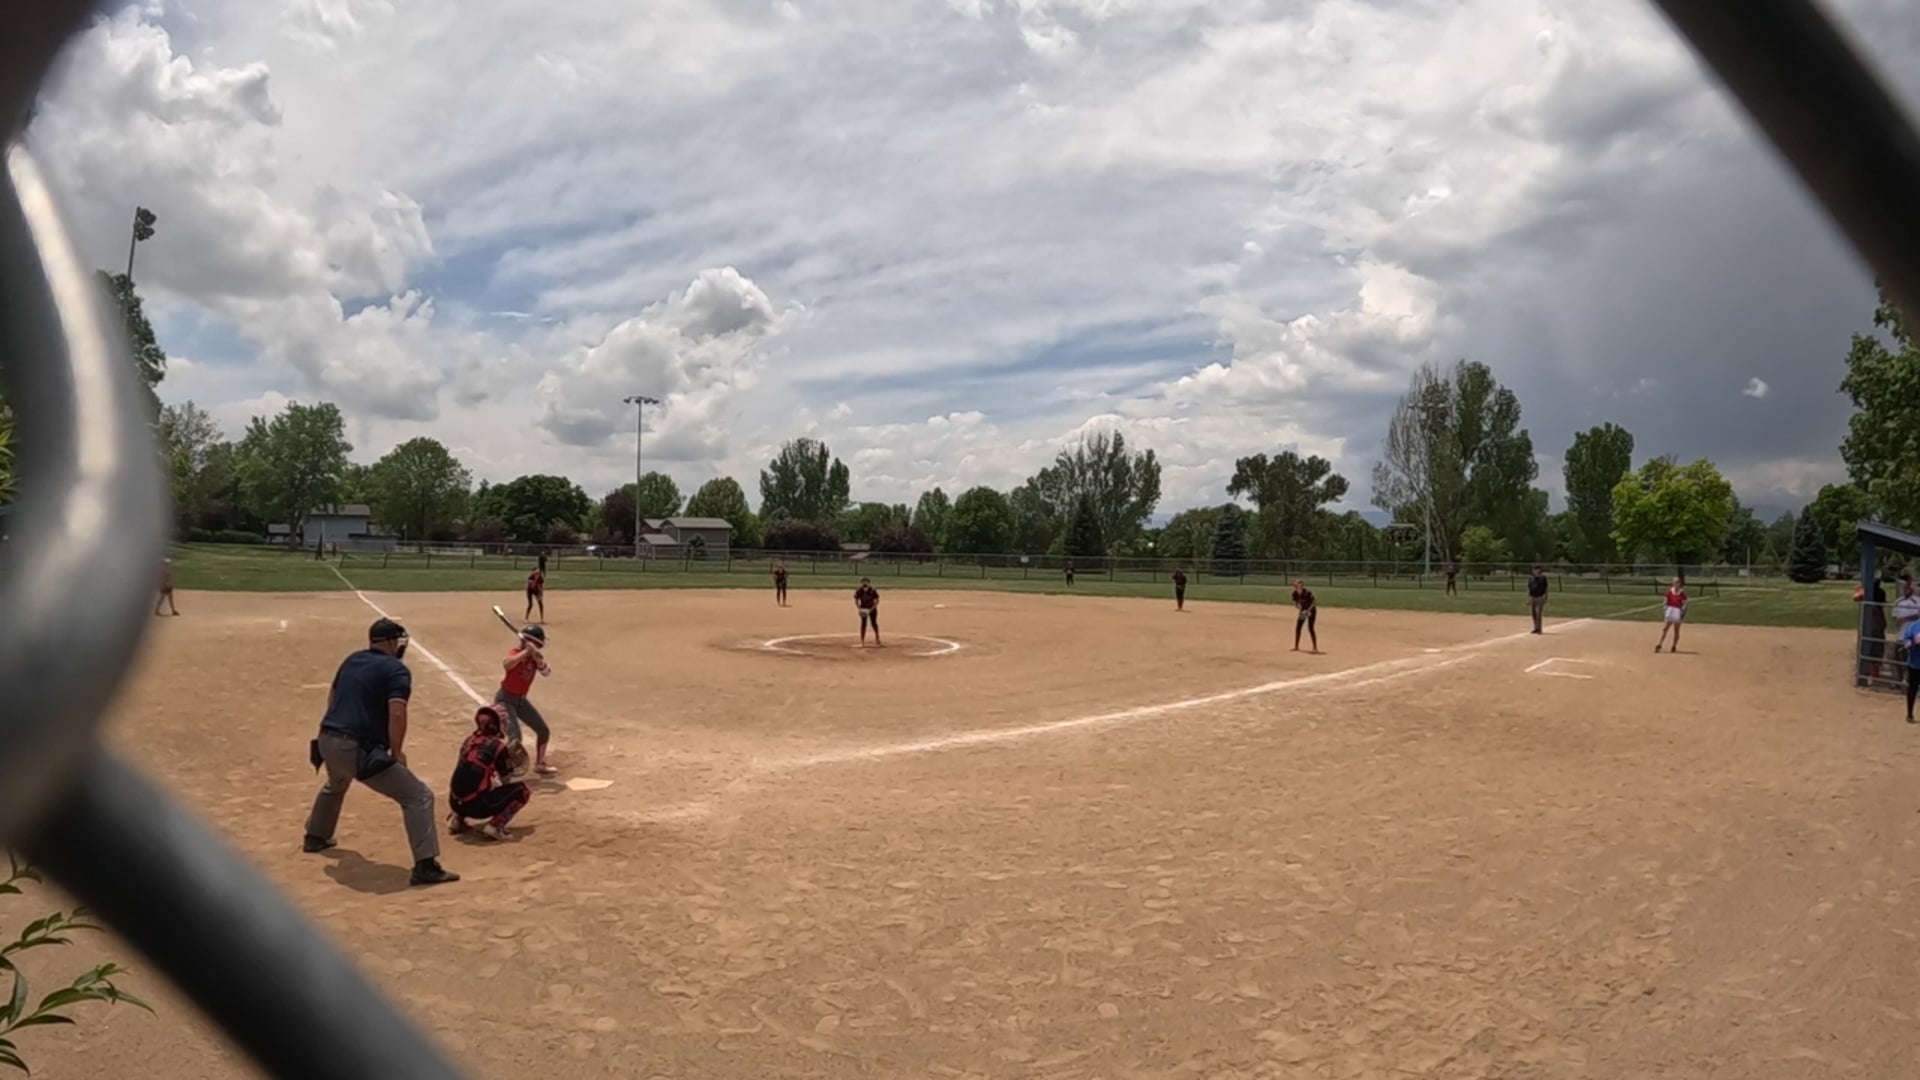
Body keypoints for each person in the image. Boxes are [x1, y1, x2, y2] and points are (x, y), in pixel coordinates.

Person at [302, 618, 458, 887]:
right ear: (390, 642)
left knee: (336, 782)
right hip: (355, 747)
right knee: (418, 796)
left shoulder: (352, 659)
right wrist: (396, 752)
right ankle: (425, 866)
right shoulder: (396, 670)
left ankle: (316, 836)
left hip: (326, 739)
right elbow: (397, 712)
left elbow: (332, 697)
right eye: (397, 641)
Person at [447, 704, 533, 841]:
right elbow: (506, 779)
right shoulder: (498, 747)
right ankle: (495, 826)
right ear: (497, 724)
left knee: (468, 781)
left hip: (454, 803)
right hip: (477, 807)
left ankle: (457, 818)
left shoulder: (469, 740)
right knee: (523, 791)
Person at [497, 624, 557, 776]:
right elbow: (507, 664)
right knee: (515, 738)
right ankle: (503, 771)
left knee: (543, 731)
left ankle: (540, 764)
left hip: (521, 701)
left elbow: (546, 672)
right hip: (505, 700)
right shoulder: (516, 652)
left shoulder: (534, 658)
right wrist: (525, 652)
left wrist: (537, 658)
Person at [1655, 577, 1687, 653]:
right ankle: (1660, 644)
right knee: (1665, 628)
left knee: (1676, 630)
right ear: (1673, 583)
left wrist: (1682, 612)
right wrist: (1665, 610)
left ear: (1679, 584)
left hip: (1677, 611)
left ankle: (1674, 646)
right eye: (1675, 583)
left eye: (1677, 583)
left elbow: (1684, 604)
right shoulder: (1669, 592)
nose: (1676, 584)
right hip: (1670, 610)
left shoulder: (1682, 593)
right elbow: (1665, 601)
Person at [1291, 578, 1319, 653]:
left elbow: (1314, 602)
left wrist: (1308, 611)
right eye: (1297, 585)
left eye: (1300, 584)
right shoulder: (1294, 593)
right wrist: (1300, 609)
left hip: (1311, 610)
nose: (1299, 586)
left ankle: (1315, 648)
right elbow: (1296, 604)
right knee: (1298, 627)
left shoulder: (1307, 592)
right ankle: (1296, 647)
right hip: (1303, 611)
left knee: (1310, 628)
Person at [1901, 616, 1920, 724]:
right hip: (1915, 664)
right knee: (1913, 688)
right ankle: (1910, 714)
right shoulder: (1913, 626)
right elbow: (1906, 640)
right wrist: (1910, 643)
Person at [854, 576, 881, 647]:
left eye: (866, 582)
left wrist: (871, 609)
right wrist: (859, 609)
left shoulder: (872, 590)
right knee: (863, 624)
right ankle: (862, 641)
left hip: (872, 609)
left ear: (869, 583)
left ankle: (877, 637)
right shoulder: (859, 590)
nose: (865, 583)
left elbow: (877, 601)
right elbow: (856, 600)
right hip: (863, 609)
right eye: (863, 582)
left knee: (873, 623)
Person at [524, 555, 547, 621]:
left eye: (537, 571)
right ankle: (526, 618)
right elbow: (530, 584)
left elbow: (541, 586)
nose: (536, 573)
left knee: (540, 603)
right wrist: (533, 582)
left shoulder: (540, 578)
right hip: (530, 590)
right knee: (530, 604)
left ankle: (542, 619)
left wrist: (540, 594)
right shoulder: (531, 576)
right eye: (535, 572)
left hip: (536, 591)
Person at [1526, 566, 1549, 634]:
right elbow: (1529, 589)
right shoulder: (1531, 579)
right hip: (1532, 597)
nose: (1535, 571)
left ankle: (1539, 629)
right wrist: (1528, 598)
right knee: (1533, 613)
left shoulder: (1543, 578)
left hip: (1540, 597)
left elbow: (1546, 588)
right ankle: (1536, 627)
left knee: (1539, 613)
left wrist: (1546, 597)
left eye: (1537, 570)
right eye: (1534, 570)